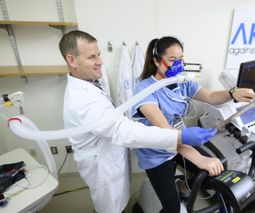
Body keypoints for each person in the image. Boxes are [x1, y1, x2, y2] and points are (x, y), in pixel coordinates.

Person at [59, 30, 217, 213]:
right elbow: (124, 131)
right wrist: (179, 136)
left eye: (99, 55)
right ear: (72, 60)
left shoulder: (90, 82)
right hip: (103, 166)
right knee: (110, 208)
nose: (100, 61)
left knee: (119, 203)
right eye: (92, 57)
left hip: (114, 154)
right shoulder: (83, 100)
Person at [131, 36, 255, 213]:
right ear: (157, 61)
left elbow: (211, 97)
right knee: (172, 207)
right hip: (157, 152)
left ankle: (182, 186)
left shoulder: (182, 81)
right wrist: (199, 158)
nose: (179, 64)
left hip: (180, 140)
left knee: (217, 168)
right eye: (172, 60)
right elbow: (167, 134)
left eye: (181, 59)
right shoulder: (144, 90)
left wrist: (233, 93)